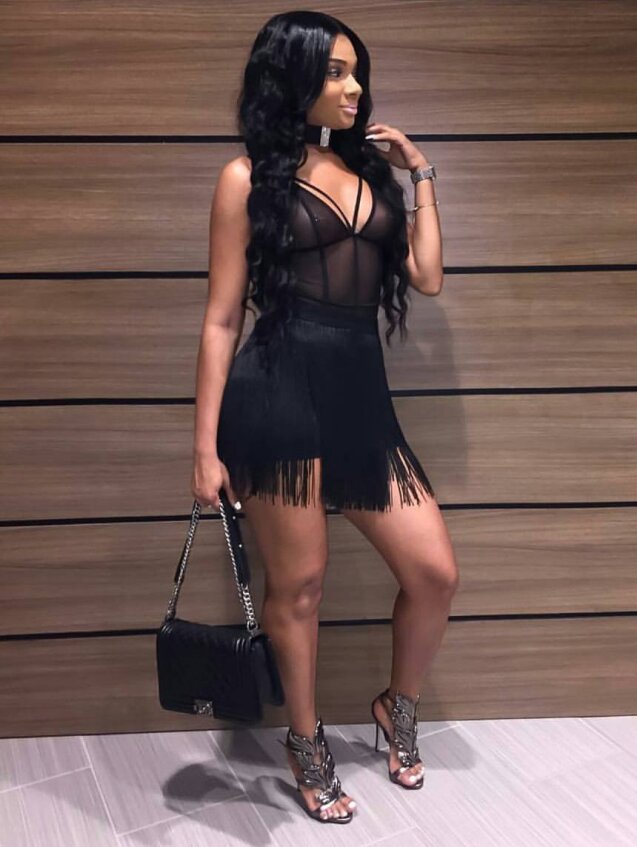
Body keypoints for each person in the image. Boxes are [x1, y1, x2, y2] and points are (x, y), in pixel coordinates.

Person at [190, 10, 460, 825]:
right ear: (293, 77)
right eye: (336, 72)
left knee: (434, 572)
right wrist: (203, 447)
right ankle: (305, 743)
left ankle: (396, 705)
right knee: (300, 585)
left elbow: (428, 276)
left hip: (357, 394)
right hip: (275, 390)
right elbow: (221, 319)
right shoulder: (246, 178)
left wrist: (421, 173)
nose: (353, 88)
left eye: (356, 72)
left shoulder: (370, 174)